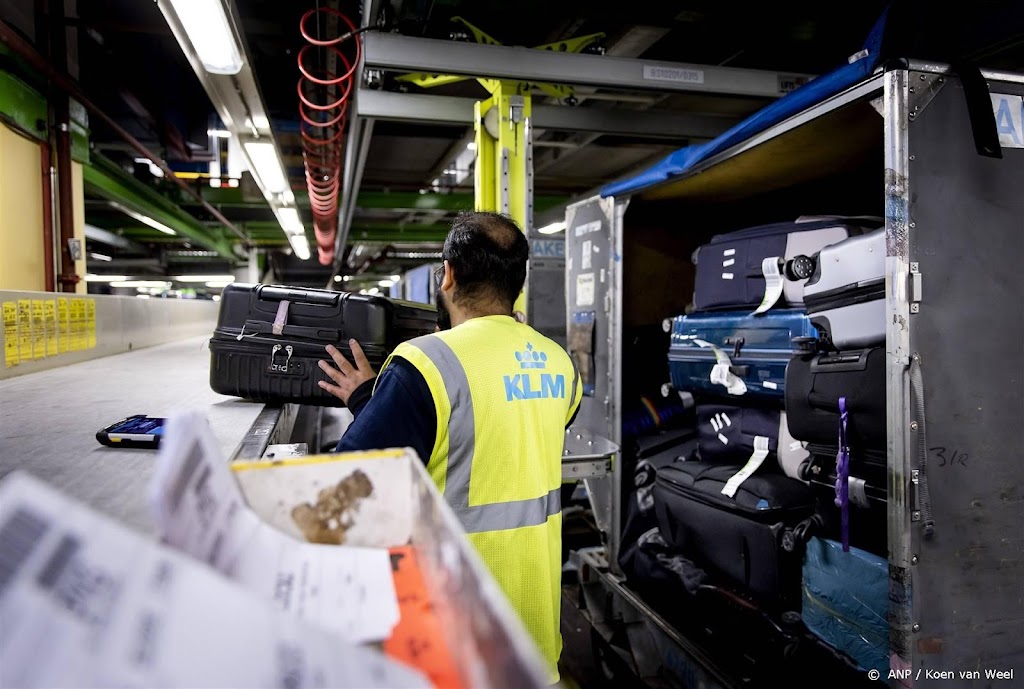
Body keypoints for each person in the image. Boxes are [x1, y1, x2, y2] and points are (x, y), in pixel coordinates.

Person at [317, 211, 581, 684]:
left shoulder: (425, 362)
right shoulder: (559, 362)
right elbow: (513, 426)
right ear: (516, 282)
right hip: (534, 640)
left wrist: (372, 400)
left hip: (455, 639)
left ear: (449, 274)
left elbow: (350, 488)